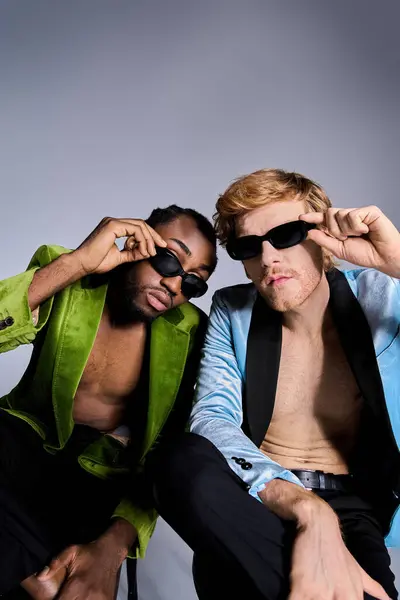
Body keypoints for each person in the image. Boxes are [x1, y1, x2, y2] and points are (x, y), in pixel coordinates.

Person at [153, 169, 400, 600]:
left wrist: (398, 264)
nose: (267, 259)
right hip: (257, 497)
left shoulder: (383, 297)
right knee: (178, 458)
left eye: (286, 235)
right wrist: (308, 510)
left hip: (354, 510)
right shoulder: (233, 311)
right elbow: (212, 417)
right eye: (249, 247)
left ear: (323, 234)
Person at [0, 205, 217, 599]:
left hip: (100, 472)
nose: (175, 286)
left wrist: (118, 542)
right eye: (169, 260)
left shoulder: (191, 332)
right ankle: (37, 574)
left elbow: (169, 448)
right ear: (137, 241)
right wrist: (79, 263)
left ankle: (32, 572)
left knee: (77, 568)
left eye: (193, 283)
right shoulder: (66, 271)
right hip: (21, 438)